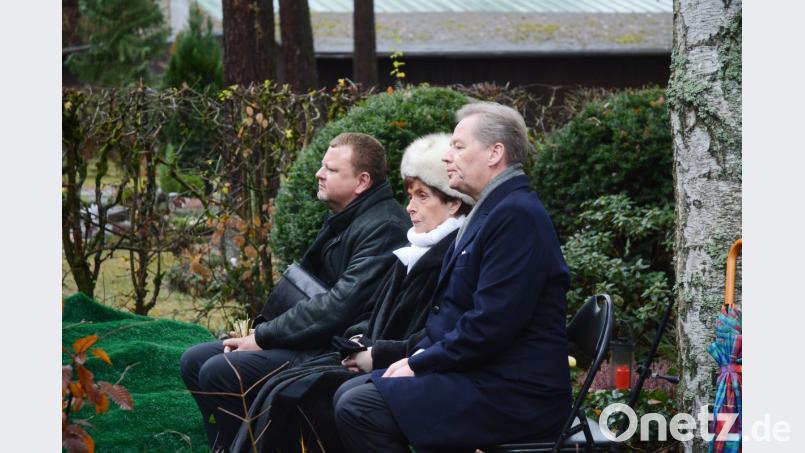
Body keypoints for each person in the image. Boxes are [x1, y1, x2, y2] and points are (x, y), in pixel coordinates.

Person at [333, 102, 573, 453]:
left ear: (495, 153)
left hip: (516, 394)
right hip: (486, 377)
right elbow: (455, 317)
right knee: (348, 392)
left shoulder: (516, 216)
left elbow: (491, 325)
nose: (447, 156)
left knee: (360, 407)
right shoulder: (493, 211)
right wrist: (410, 355)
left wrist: (420, 362)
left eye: (459, 146)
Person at [229, 133, 474, 453]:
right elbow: (372, 311)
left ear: (453, 203)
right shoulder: (416, 248)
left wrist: (375, 353)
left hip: (411, 369)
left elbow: (436, 336)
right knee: (283, 387)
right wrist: (358, 340)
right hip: (370, 356)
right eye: (410, 195)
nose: (410, 207)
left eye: (423, 196)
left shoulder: (449, 255)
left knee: (305, 394)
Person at [180, 132, 410, 451]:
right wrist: (264, 332)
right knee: (194, 360)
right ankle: (227, 445)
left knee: (222, 369)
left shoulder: (383, 227)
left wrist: (263, 337)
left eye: (330, 169)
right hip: (314, 337)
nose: (319, 173)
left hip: (335, 349)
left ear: (362, 181)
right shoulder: (349, 217)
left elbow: (337, 307)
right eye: (322, 166)